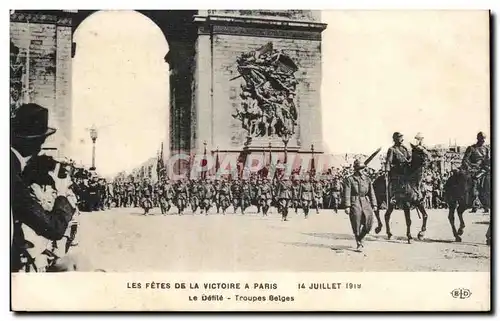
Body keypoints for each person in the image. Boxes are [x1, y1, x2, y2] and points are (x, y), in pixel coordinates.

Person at [11, 103, 77, 272]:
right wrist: (62, 194)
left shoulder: (14, 166)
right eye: (42, 140)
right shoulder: (11, 172)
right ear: (36, 142)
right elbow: (53, 229)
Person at [344, 159, 377, 250]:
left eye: (363, 168)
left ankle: (360, 237)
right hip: (355, 201)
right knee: (356, 221)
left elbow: (372, 193)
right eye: (360, 168)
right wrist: (347, 206)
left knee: (369, 223)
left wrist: (374, 204)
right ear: (356, 169)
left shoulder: (367, 179)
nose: (362, 170)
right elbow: (347, 193)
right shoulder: (350, 179)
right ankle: (358, 242)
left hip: (365, 201)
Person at [461, 132, 490, 213]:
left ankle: (486, 205)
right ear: (478, 139)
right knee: (474, 186)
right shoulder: (471, 148)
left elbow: (488, 161)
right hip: (472, 171)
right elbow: (465, 160)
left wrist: (487, 167)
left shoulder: (486, 149)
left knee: (487, 186)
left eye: (484, 139)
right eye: (482, 139)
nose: (483, 141)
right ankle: (475, 205)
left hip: (483, 170)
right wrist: (470, 168)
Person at [385, 132, 411, 205]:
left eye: (401, 137)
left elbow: (409, 157)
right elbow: (388, 161)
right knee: (396, 181)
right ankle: (393, 197)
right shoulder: (392, 149)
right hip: (396, 171)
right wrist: (387, 170)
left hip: (405, 169)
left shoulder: (404, 148)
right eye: (399, 137)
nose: (401, 139)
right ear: (395, 139)